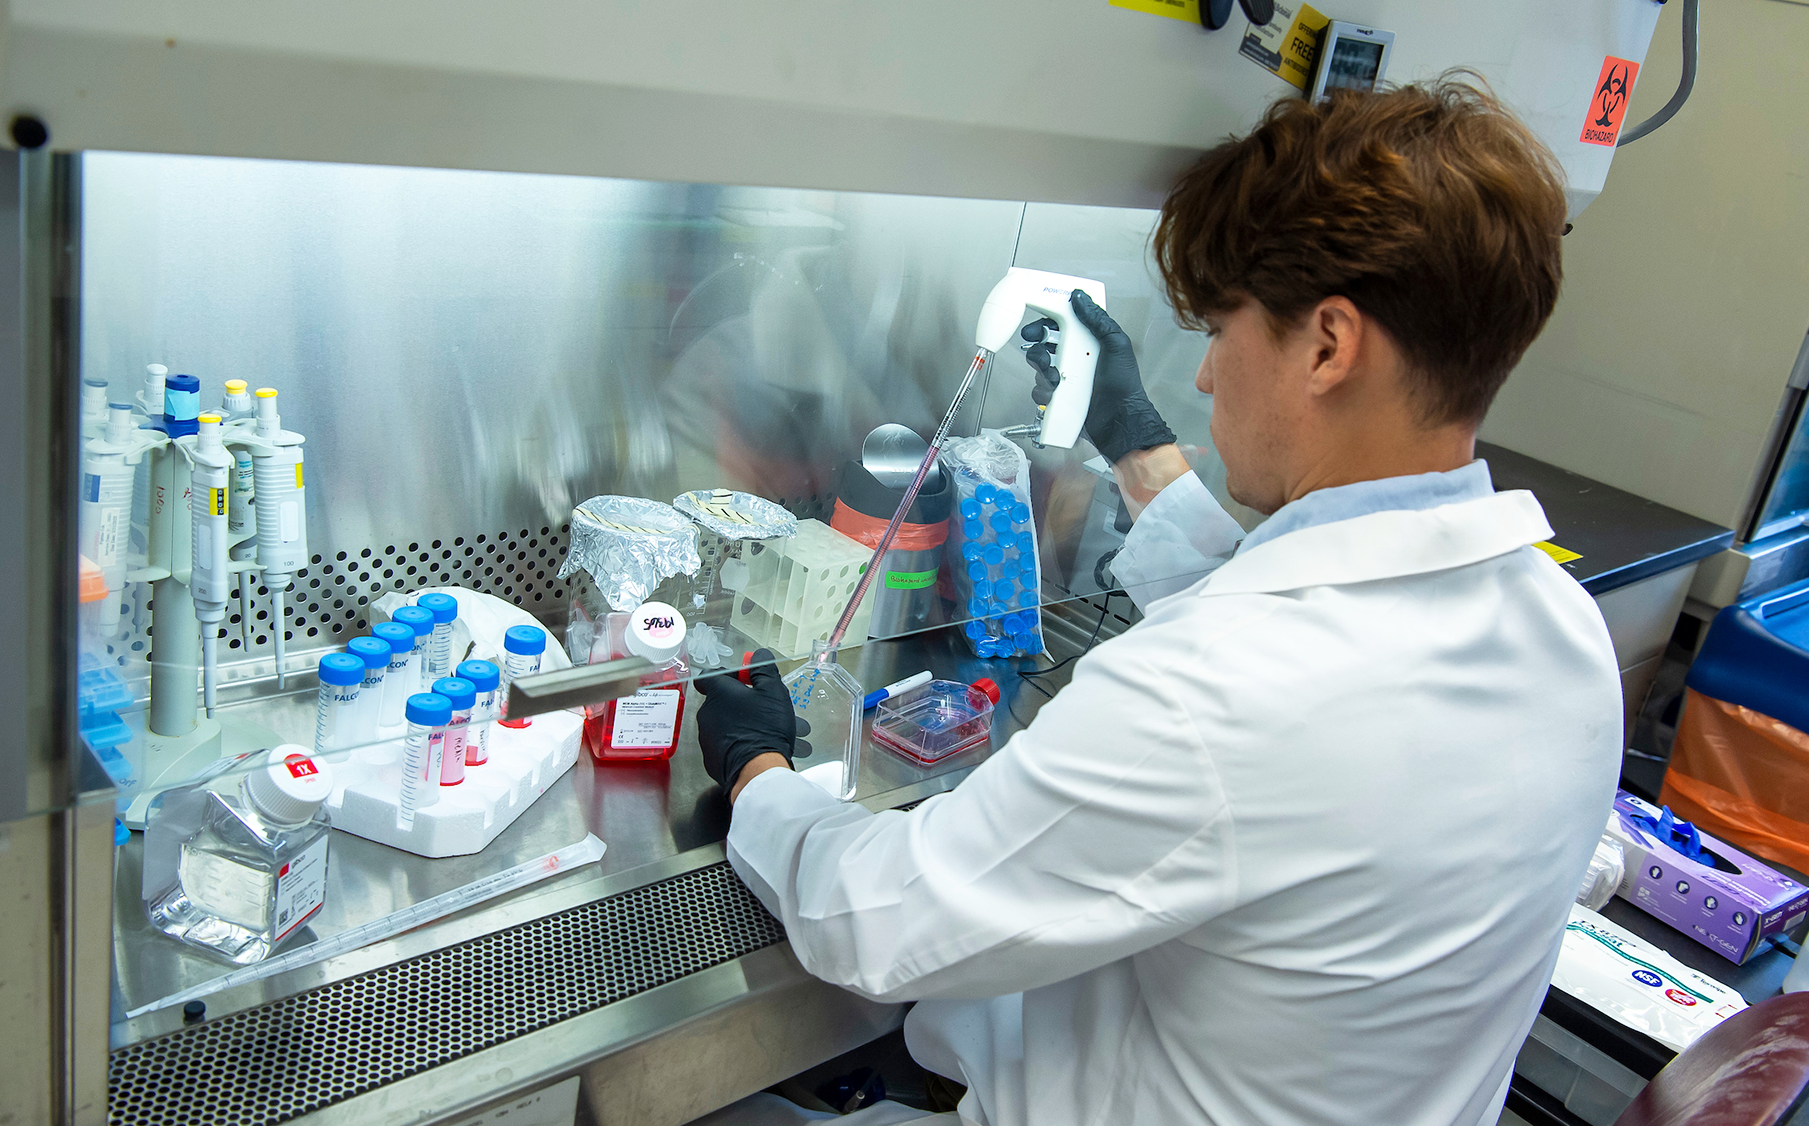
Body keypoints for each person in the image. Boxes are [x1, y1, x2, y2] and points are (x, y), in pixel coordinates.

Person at [690, 79, 1622, 1126]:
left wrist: (758, 770)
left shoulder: (1220, 697)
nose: (1210, 376)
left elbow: (878, 921)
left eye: (1224, 330)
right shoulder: (1561, 629)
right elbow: (1314, 612)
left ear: (1327, 345)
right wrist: (1137, 450)